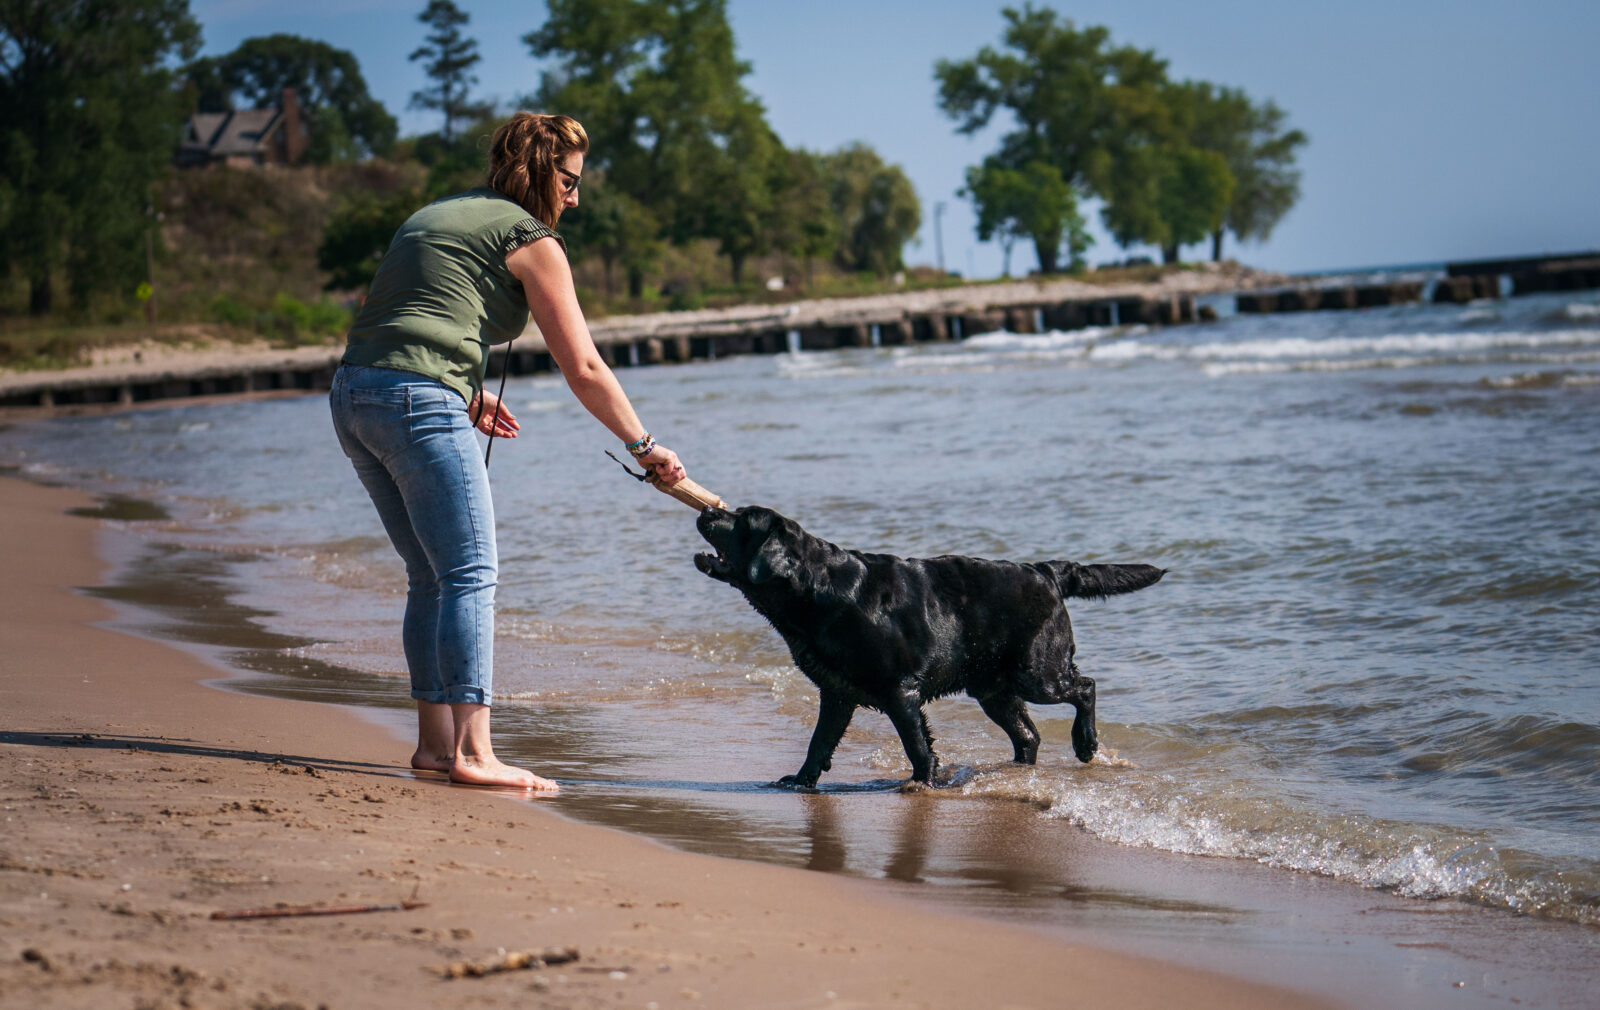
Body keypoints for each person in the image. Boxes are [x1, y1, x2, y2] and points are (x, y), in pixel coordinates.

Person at [329, 113, 685, 792]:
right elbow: (582, 365)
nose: (576, 198)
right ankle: (473, 752)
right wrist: (644, 446)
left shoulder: (436, 215)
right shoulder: (534, 239)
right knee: (469, 573)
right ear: (543, 172)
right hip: (416, 399)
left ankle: (435, 747)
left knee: (429, 576)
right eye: (570, 181)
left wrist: (462, 393)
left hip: (354, 395)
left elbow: (392, 314)